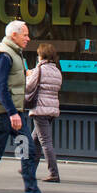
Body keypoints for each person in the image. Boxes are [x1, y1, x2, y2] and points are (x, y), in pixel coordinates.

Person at [0, 20, 58, 193]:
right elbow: (1, 87)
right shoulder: (4, 54)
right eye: (25, 35)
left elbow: (12, 81)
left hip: (13, 114)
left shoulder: (14, 53)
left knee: (27, 151)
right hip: (4, 115)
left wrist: (25, 74)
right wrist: (13, 113)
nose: (28, 38)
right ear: (14, 35)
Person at [26, 42, 63, 183]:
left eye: (38, 55)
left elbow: (29, 87)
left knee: (45, 142)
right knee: (34, 140)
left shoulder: (39, 70)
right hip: (52, 110)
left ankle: (54, 173)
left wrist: (29, 75)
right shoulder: (57, 71)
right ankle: (28, 168)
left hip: (40, 109)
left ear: (42, 55)